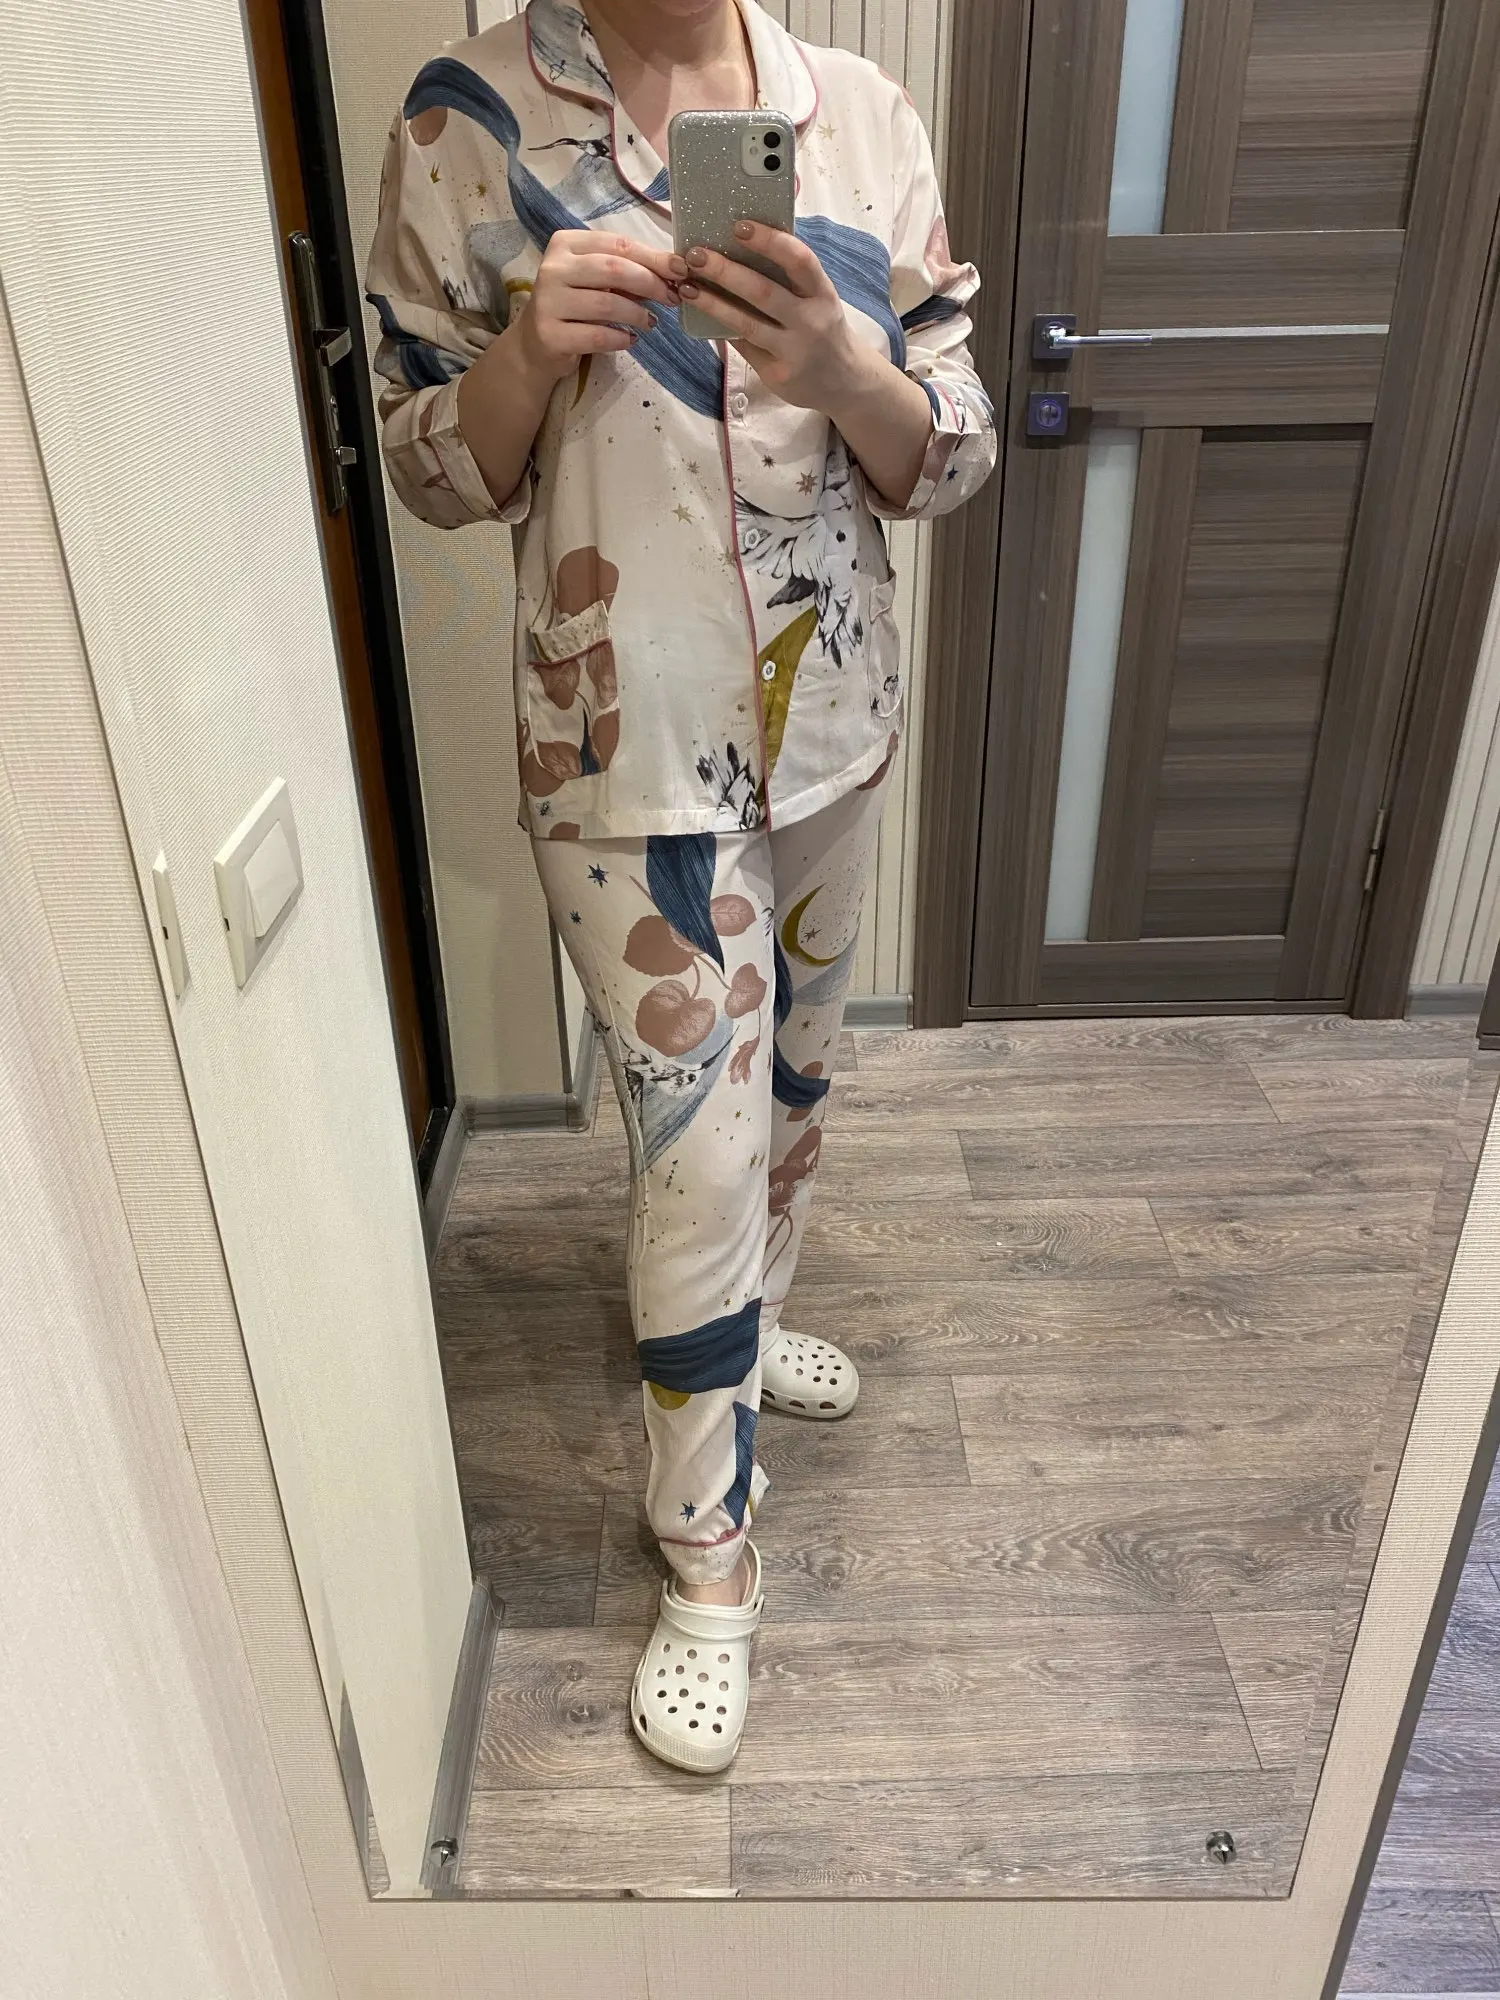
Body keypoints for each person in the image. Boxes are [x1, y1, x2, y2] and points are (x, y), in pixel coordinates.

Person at [366, 0, 995, 1773]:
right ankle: (706, 1550)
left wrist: (847, 369)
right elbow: (423, 463)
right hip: (619, 743)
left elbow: (950, 447)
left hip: (830, 720)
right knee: (694, 1149)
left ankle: (751, 1319)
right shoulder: (467, 120)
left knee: (794, 1087)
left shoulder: (854, 114)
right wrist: (521, 356)